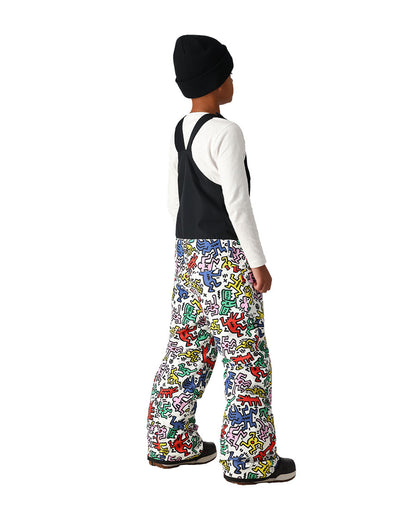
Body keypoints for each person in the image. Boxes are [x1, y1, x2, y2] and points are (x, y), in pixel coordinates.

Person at [146, 34, 296, 485]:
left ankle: (169, 444)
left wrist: (191, 247)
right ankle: (249, 462)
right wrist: (257, 261)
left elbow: (173, 199)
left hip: (187, 257)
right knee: (245, 357)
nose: (232, 82)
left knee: (186, 348)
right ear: (215, 82)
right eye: (228, 74)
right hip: (228, 260)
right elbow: (237, 202)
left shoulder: (180, 130)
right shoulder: (227, 132)